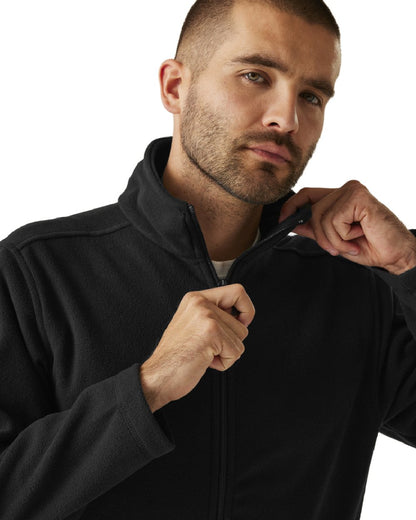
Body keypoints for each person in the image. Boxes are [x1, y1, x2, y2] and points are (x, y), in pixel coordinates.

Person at [0, 0, 415, 518]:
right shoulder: (36, 273)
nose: (286, 118)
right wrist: (147, 387)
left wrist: (409, 265)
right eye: (255, 75)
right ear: (175, 87)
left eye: (311, 96)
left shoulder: (359, 287)